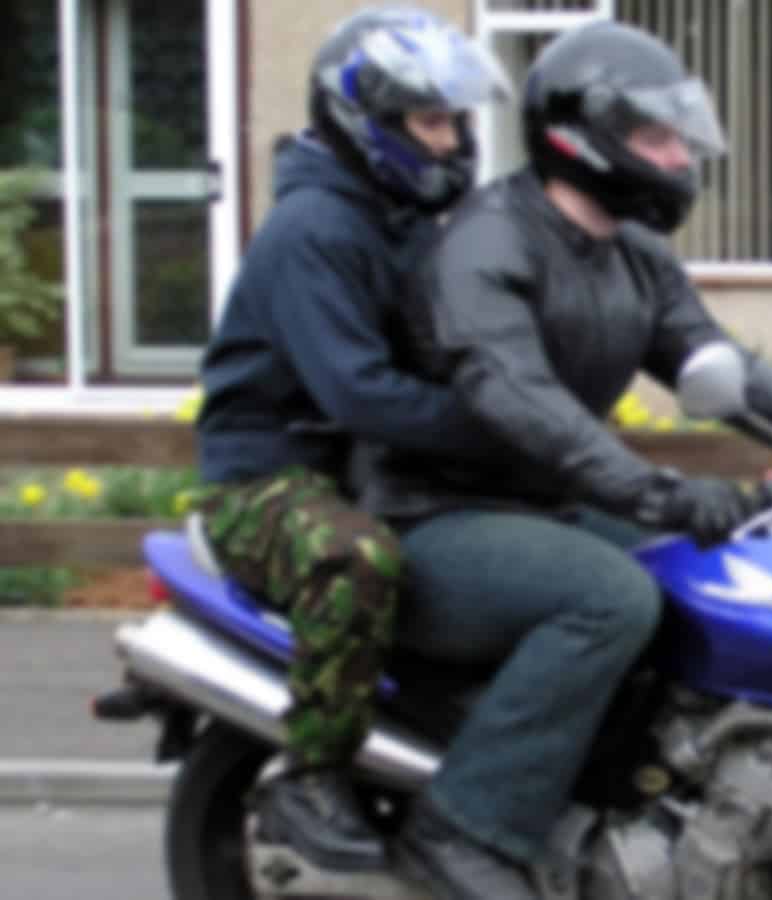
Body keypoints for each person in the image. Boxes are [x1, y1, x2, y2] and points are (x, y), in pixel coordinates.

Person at [355, 19, 772, 900]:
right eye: (656, 137)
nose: (679, 157)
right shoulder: (485, 245)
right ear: (583, 138)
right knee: (611, 599)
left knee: (722, 573)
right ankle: (461, 828)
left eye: (680, 135)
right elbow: (526, 404)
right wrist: (663, 492)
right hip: (436, 516)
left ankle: (645, 802)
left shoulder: (632, 253)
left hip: (543, 506)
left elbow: (731, 372)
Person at [192, 5, 512, 873]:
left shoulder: (398, 216)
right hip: (270, 477)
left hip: (368, 465)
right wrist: (496, 429)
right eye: (432, 122)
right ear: (366, 121)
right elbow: (360, 392)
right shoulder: (316, 229)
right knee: (354, 559)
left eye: (457, 122)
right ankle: (312, 773)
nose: (453, 142)